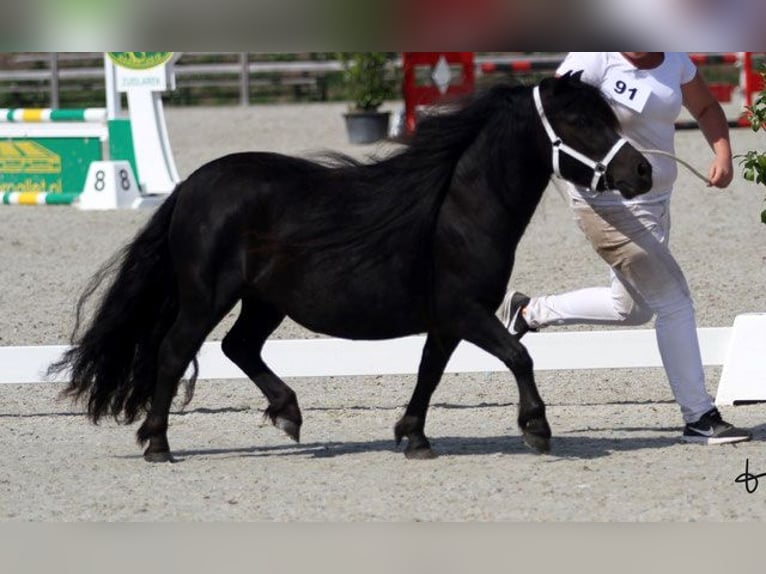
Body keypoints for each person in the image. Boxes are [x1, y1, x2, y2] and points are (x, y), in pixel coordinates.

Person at [499, 52, 751, 445]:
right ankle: (699, 416)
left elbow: (704, 106)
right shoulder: (595, 58)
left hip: (655, 200)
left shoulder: (676, 60)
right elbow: (546, 110)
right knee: (673, 301)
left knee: (630, 308)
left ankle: (529, 312)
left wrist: (722, 154)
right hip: (604, 202)